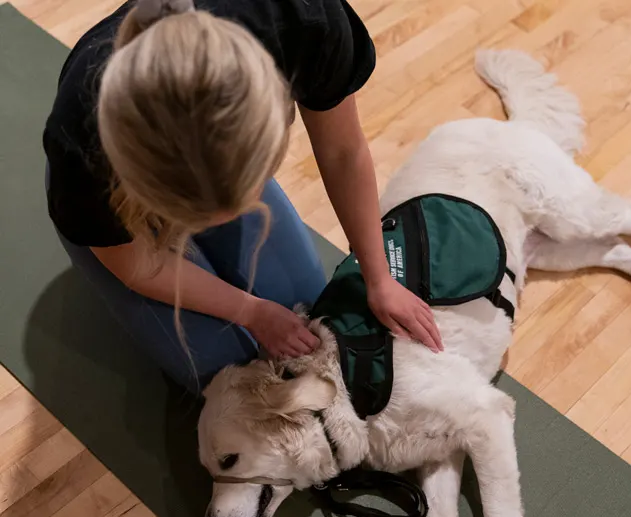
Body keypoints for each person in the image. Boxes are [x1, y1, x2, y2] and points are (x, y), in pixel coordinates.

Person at [43, 0, 442, 394]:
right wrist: (249, 310)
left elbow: (343, 152)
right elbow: (130, 261)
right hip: (110, 216)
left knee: (309, 307)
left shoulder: (306, 19)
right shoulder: (82, 143)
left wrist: (378, 276)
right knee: (228, 372)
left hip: (202, 166)